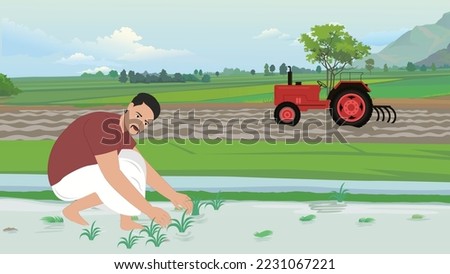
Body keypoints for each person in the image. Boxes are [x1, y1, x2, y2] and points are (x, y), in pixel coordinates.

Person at [47, 93, 192, 230]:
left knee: (134, 161)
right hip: (64, 180)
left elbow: (144, 169)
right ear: (130, 107)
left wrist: (173, 195)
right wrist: (149, 210)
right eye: (138, 115)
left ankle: (121, 220)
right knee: (117, 173)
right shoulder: (106, 127)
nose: (140, 123)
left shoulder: (122, 132)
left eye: (146, 122)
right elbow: (112, 175)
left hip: (85, 174)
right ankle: (123, 218)